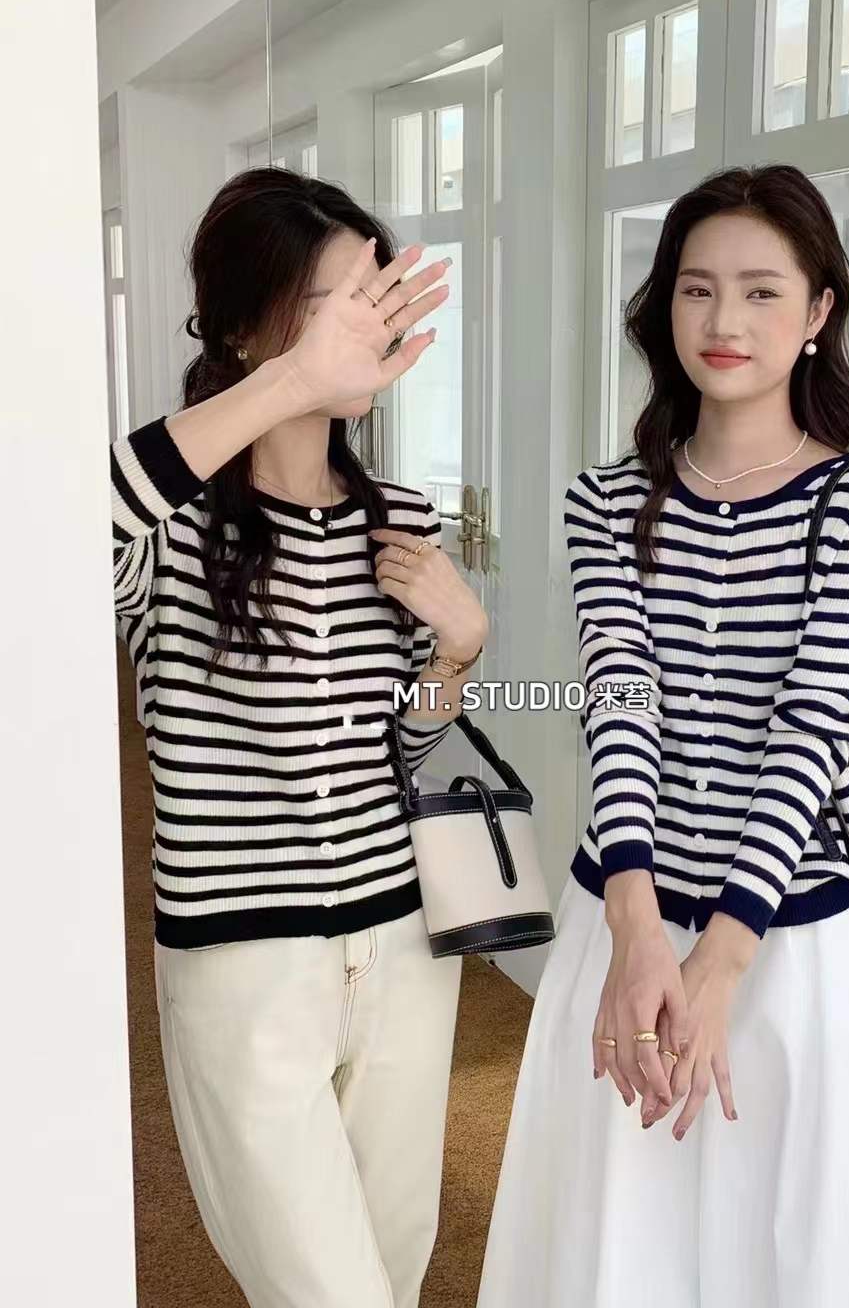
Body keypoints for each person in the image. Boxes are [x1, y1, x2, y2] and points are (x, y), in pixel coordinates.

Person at [477, 164, 849, 1307]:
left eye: (764, 291)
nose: (726, 320)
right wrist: (637, 932)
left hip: (792, 934)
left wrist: (718, 963)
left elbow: (815, 731)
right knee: (617, 1238)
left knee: (787, 1249)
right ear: (663, 304)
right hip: (623, 912)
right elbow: (620, 702)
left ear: (819, 312)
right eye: (697, 287)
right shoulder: (606, 499)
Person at [111, 168, 489, 1308]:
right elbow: (56, 532)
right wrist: (289, 385)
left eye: (376, 299)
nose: (367, 328)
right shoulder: (170, 523)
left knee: (393, 1270)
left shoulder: (400, 519)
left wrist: (456, 655)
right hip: (243, 957)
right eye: (335, 307)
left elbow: (399, 758)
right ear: (243, 328)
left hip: (404, 942)